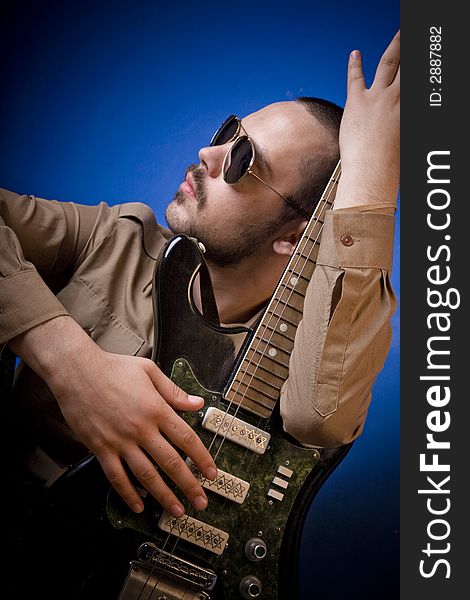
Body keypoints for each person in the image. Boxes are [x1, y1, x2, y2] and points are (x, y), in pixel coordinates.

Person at [0, 32, 399, 525]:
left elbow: (317, 418)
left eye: (243, 159)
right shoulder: (116, 239)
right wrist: (72, 364)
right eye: (228, 133)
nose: (208, 155)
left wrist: (371, 177)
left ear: (294, 238)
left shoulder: (313, 357)